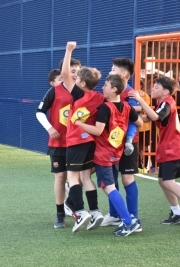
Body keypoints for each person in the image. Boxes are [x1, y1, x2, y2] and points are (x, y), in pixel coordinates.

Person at [129, 76, 180, 230]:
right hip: (167, 147)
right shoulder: (162, 103)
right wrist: (127, 112)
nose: (153, 89)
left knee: (168, 182)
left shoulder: (167, 102)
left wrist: (139, 99)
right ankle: (177, 212)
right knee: (162, 180)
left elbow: (153, 116)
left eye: (156, 87)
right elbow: (146, 118)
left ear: (166, 91)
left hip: (173, 147)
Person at [75, 73, 143, 236]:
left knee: (109, 187)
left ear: (114, 89)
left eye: (105, 85)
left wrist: (80, 123)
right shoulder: (127, 106)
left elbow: (98, 130)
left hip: (104, 154)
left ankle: (128, 221)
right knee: (110, 186)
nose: (103, 87)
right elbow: (139, 122)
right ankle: (127, 219)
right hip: (116, 152)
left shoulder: (106, 107)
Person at [61, 41, 104, 233]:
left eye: (77, 78)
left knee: (73, 178)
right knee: (86, 177)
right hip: (90, 142)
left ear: (83, 84)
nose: (74, 79)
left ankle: (80, 212)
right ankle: (94, 211)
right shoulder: (99, 97)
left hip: (76, 141)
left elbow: (63, 75)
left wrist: (69, 51)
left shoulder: (79, 95)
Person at [100, 58, 142, 230]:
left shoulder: (130, 93)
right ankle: (114, 214)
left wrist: (129, 140)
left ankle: (134, 217)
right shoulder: (110, 92)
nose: (109, 72)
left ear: (124, 74)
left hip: (127, 144)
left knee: (126, 178)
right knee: (112, 179)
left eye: (113, 69)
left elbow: (136, 118)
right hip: (112, 145)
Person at [36, 65, 77, 229]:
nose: (75, 74)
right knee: (61, 177)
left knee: (80, 177)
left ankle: (72, 204)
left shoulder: (83, 91)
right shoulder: (54, 91)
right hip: (59, 143)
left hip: (78, 143)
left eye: (77, 71)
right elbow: (39, 112)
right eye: (72, 71)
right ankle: (60, 214)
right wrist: (49, 128)